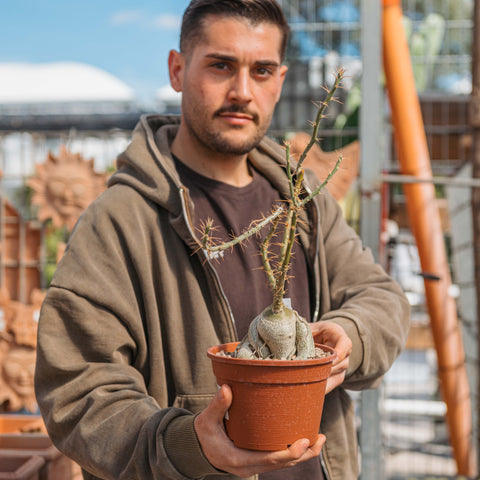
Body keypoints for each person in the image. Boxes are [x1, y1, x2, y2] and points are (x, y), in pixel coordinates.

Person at [34, 1, 410, 479]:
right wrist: (187, 446)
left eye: (262, 70)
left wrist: (351, 337)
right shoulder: (120, 222)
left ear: (281, 79)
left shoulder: (304, 201)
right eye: (221, 66)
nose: (242, 92)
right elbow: (77, 390)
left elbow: (381, 298)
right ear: (177, 69)